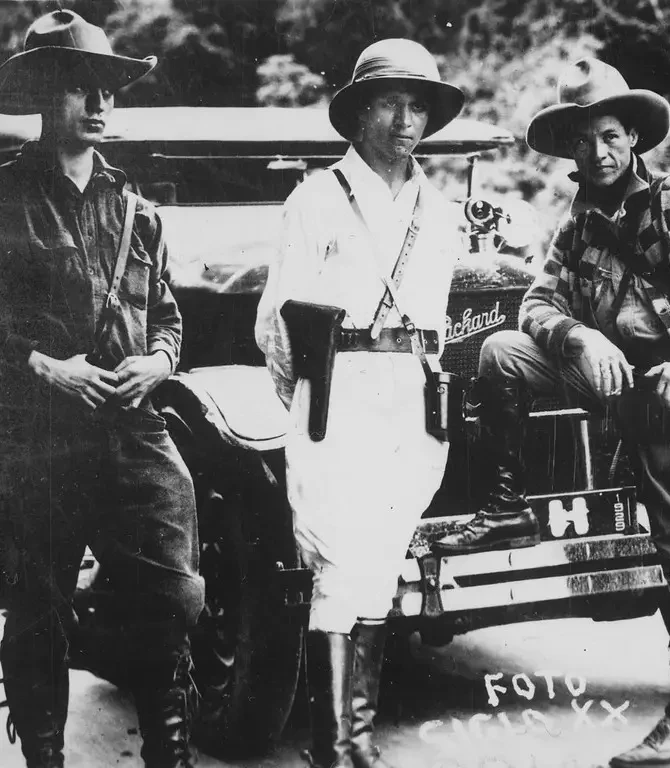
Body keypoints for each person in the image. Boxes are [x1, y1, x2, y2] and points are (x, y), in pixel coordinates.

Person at [431, 57, 670, 768]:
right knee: (500, 352)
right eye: (583, 141)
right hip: (606, 378)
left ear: (633, 138)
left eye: (610, 136)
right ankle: (507, 504)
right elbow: (535, 303)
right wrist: (580, 338)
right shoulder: (578, 224)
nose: (599, 152)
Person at [254, 38, 465, 768]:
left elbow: (439, 322)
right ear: (357, 114)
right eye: (389, 104)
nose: (406, 121)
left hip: (411, 403)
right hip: (337, 396)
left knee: (380, 564)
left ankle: (359, 739)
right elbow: (277, 326)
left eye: (418, 106)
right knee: (339, 565)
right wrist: (312, 400)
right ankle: (333, 747)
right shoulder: (315, 200)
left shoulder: (440, 212)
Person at [0, 10, 203, 768]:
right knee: (38, 609)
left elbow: (168, 316)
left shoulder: (133, 206)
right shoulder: (6, 197)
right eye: (79, 88)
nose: (99, 103)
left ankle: (169, 756)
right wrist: (43, 366)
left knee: (171, 596)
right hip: (39, 434)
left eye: (108, 90)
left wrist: (160, 361)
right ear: (42, 95)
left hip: (132, 427)